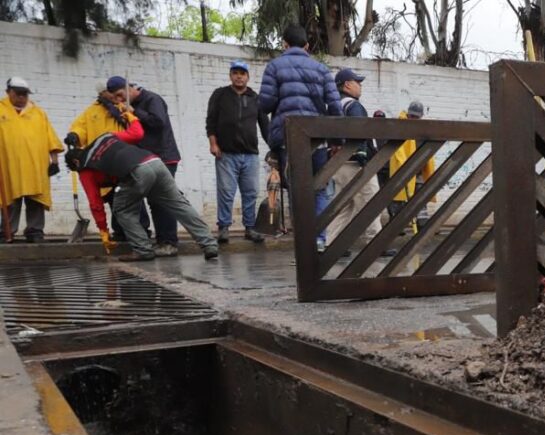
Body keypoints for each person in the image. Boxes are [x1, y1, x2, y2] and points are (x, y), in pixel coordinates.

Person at [67, 125, 218, 262]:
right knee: (179, 204)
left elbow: (95, 204)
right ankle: (209, 244)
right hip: (155, 162)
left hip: (136, 172)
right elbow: (136, 134)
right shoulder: (105, 137)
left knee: (122, 210)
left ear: (75, 162)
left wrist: (103, 231)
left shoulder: (84, 168)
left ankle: (143, 250)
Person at [258, 23, 342, 249]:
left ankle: (303, 243)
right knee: (320, 189)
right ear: (307, 46)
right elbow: (335, 107)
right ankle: (319, 239)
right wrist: (337, 142)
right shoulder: (321, 69)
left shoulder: (274, 67)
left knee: (297, 191)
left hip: (289, 140)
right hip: (317, 140)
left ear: (284, 44)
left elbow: (265, 104)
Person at [112, 78, 182, 255]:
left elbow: (158, 122)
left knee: (162, 201)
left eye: (120, 95)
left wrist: (135, 112)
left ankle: (169, 243)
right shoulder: (130, 107)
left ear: (129, 88)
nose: (120, 100)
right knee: (154, 201)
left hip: (163, 157)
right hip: (147, 159)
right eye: (116, 98)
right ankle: (162, 241)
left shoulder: (152, 99)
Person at [207, 60, 270, 245]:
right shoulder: (220, 95)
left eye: (242, 73)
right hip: (226, 154)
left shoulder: (255, 98)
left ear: (248, 77)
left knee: (250, 193)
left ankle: (250, 228)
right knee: (226, 192)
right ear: (230, 75)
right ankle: (224, 228)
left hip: (250, 155)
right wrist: (213, 144)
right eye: (235, 73)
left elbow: (265, 126)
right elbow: (211, 121)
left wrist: (274, 148)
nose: (239, 76)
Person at [65, 82, 139, 239]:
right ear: (101, 93)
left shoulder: (123, 108)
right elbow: (80, 127)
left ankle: (140, 231)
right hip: (100, 162)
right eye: (109, 92)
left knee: (129, 196)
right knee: (113, 199)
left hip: (122, 158)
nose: (113, 95)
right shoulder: (91, 112)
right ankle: (120, 232)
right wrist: (75, 135)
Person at [0, 77, 63, 243]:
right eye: (18, 94)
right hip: (8, 165)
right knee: (10, 200)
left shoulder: (38, 113)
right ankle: (7, 231)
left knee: (36, 199)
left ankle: (35, 231)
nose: (22, 97)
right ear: (8, 92)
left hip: (36, 165)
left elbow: (50, 138)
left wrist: (54, 161)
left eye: (25, 94)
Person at [326, 68, 380, 249]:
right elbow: (360, 131)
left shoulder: (334, 106)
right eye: (358, 82)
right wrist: (363, 155)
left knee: (344, 208)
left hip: (338, 164)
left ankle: (330, 245)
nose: (360, 86)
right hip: (355, 164)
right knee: (370, 203)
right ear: (348, 84)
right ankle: (375, 244)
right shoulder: (353, 105)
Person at [388, 100, 435, 222]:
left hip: (418, 172)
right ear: (408, 114)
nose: (413, 119)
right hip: (402, 171)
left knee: (420, 201)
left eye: (416, 117)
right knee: (398, 200)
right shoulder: (400, 127)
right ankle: (396, 226)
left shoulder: (423, 131)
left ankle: (421, 225)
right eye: (411, 116)